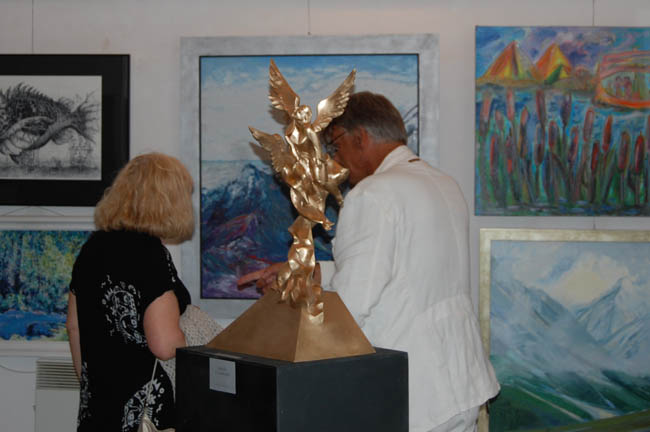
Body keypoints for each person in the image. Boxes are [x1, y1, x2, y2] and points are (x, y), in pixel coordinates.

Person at [241, 92, 500, 432]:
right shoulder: (443, 184)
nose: (336, 162)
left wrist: (282, 322)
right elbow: (402, 269)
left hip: (412, 395)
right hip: (460, 384)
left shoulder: (372, 194)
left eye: (335, 147)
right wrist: (305, 271)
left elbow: (352, 306)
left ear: (360, 137)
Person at [66, 152, 194, 432]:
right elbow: (164, 345)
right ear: (170, 201)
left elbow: (74, 327)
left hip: (97, 406)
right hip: (145, 411)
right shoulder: (151, 255)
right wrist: (196, 343)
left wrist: (90, 384)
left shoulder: (91, 248)